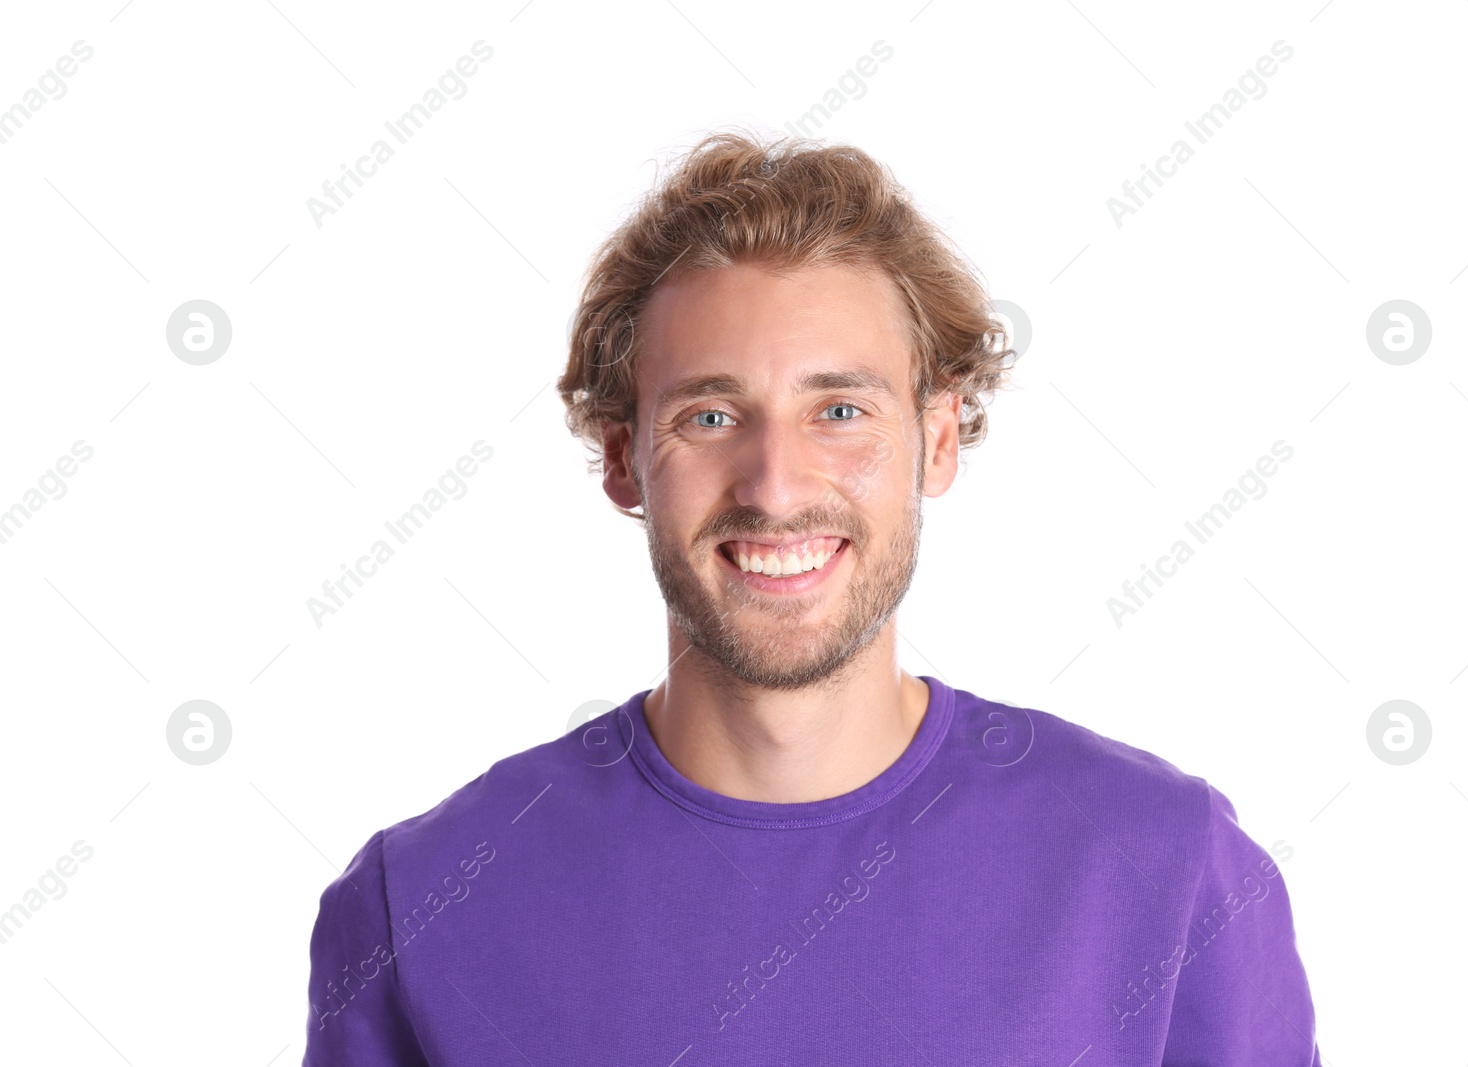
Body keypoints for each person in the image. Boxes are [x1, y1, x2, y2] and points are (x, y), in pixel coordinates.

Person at [301, 128, 1322, 1065]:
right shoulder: (423, 906)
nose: (776, 484)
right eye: (708, 414)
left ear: (934, 437)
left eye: (839, 408)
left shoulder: (1169, 872)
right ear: (621, 459)